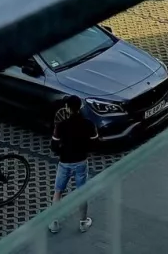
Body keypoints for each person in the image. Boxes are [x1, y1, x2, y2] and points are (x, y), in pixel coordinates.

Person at [46, 95, 95, 234]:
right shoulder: (88, 124)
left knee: (58, 192)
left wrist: (63, 151)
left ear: (67, 108)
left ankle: (54, 222)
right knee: (81, 193)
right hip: (81, 162)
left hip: (64, 162)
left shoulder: (61, 125)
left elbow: (54, 146)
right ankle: (83, 222)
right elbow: (94, 142)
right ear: (80, 107)